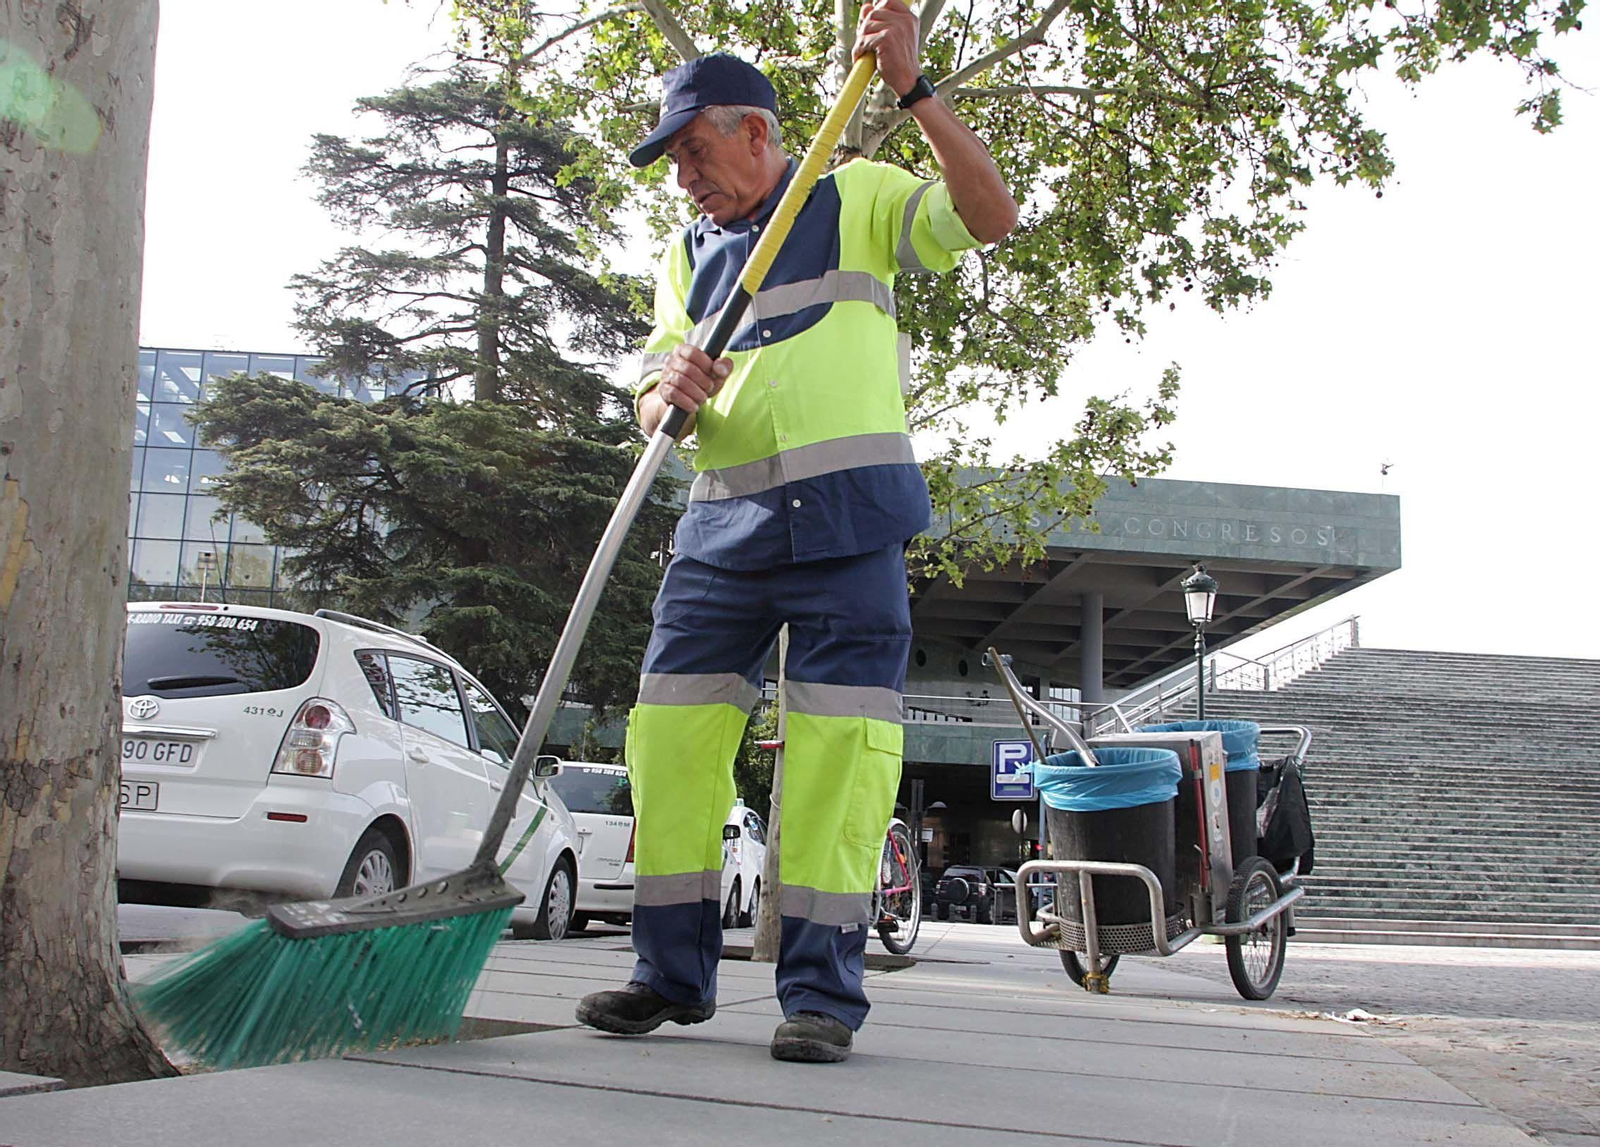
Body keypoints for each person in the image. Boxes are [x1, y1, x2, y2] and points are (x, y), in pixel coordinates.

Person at [575, 0, 1017, 1063]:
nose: (683, 176)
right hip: (720, 540)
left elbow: (991, 215)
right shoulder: (683, 260)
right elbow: (652, 399)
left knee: (835, 760)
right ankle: (667, 975)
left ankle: (820, 995)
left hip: (851, 534)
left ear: (758, 132)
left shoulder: (855, 198)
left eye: (693, 150)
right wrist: (663, 395)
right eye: (674, 159)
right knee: (671, 741)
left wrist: (913, 89)